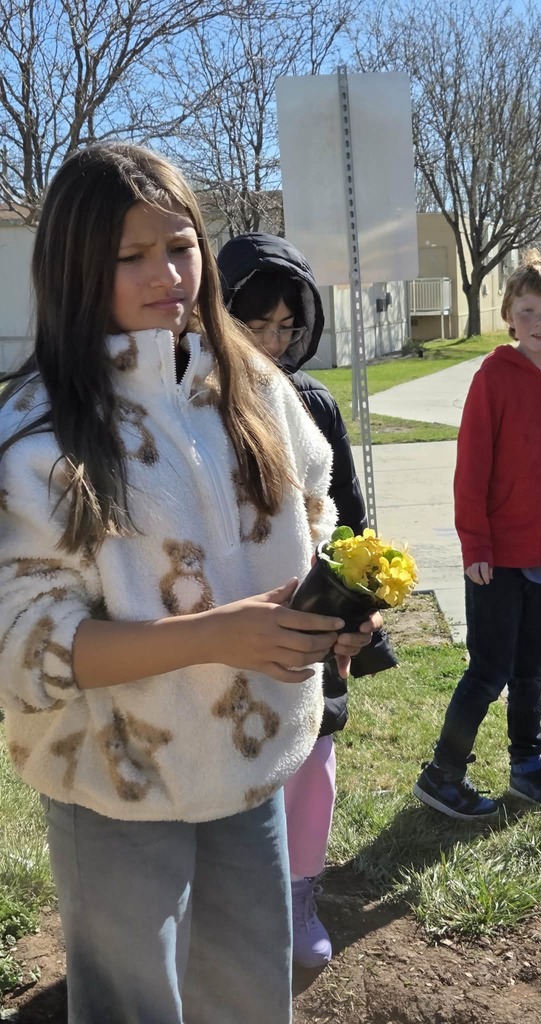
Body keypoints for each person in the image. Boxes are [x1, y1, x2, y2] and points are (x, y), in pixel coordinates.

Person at [0, 143, 381, 1024]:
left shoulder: (250, 384)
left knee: (251, 990)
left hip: (250, 762)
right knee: (136, 1005)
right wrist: (218, 635)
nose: (166, 274)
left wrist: (331, 610)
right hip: (115, 782)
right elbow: (27, 650)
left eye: (180, 246)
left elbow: (315, 510)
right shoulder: (35, 433)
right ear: (71, 267)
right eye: (129, 256)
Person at [217, 232, 397, 969]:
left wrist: (362, 616)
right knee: (236, 765)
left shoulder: (314, 403)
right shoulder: (193, 403)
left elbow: (351, 524)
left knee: (312, 759)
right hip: (226, 629)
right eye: (255, 323)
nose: (272, 342)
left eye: (288, 327)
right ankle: (236, 901)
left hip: (313, 632)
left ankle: (297, 893)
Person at [413, 249, 541, 821]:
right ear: (510, 316)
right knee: (489, 671)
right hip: (495, 561)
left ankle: (527, 770)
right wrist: (475, 543)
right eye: (527, 310)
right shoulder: (492, 378)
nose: (539, 322)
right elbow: (471, 467)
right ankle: (443, 773)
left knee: (533, 673)